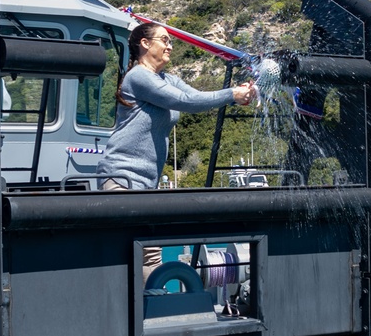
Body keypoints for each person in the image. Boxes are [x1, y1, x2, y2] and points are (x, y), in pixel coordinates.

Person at [97, 21, 256, 280]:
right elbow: (185, 102)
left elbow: (197, 97)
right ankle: (137, 310)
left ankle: (148, 309)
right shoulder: (138, 76)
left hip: (145, 182)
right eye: (165, 40)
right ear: (145, 44)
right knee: (135, 252)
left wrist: (240, 93)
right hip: (122, 178)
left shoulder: (167, 79)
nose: (170, 46)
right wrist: (232, 94)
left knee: (149, 251)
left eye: (171, 41)